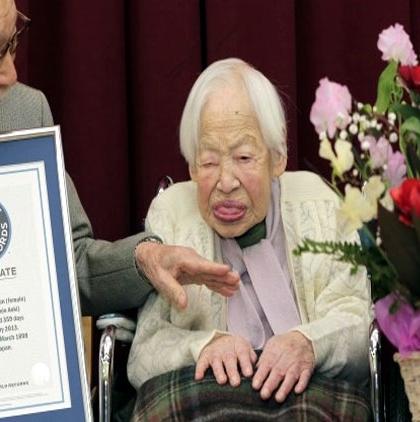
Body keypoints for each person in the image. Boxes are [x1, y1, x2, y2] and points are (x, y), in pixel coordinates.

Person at [0, 0, 240, 354]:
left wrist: (144, 259)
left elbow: (69, 265)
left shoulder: (23, 113)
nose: (10, 76)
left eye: (12, 45)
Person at [127, 58, 373, 421]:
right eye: (208, 162)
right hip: (202, 400)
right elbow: (143, 354)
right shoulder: (171, 215)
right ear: (192, 166)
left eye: (243, 157)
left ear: (278, 158)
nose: (226, 182)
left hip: (308, 399)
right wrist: (204, 346)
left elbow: (358, 322)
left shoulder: (319, 204)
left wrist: (307, 342)